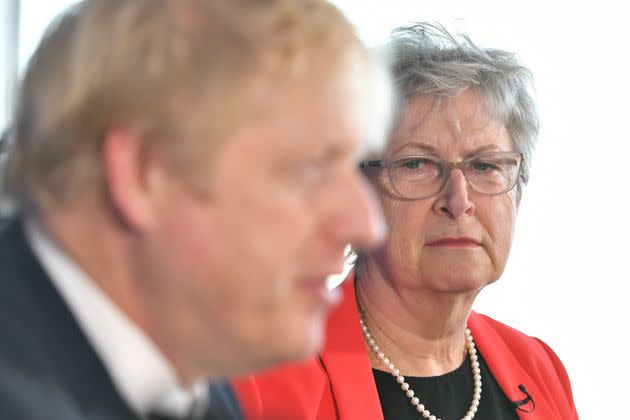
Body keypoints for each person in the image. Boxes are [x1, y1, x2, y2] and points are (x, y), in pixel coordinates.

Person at [0, 1, 394, 419]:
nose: (366, 226)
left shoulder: (190, 381)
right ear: (143, 174)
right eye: (311, 168)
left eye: (351, 167)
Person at [233, 22, 579, 420]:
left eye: (486, 165)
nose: (458, 200)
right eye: (417, 164)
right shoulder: (264, 381)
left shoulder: (539, 368)